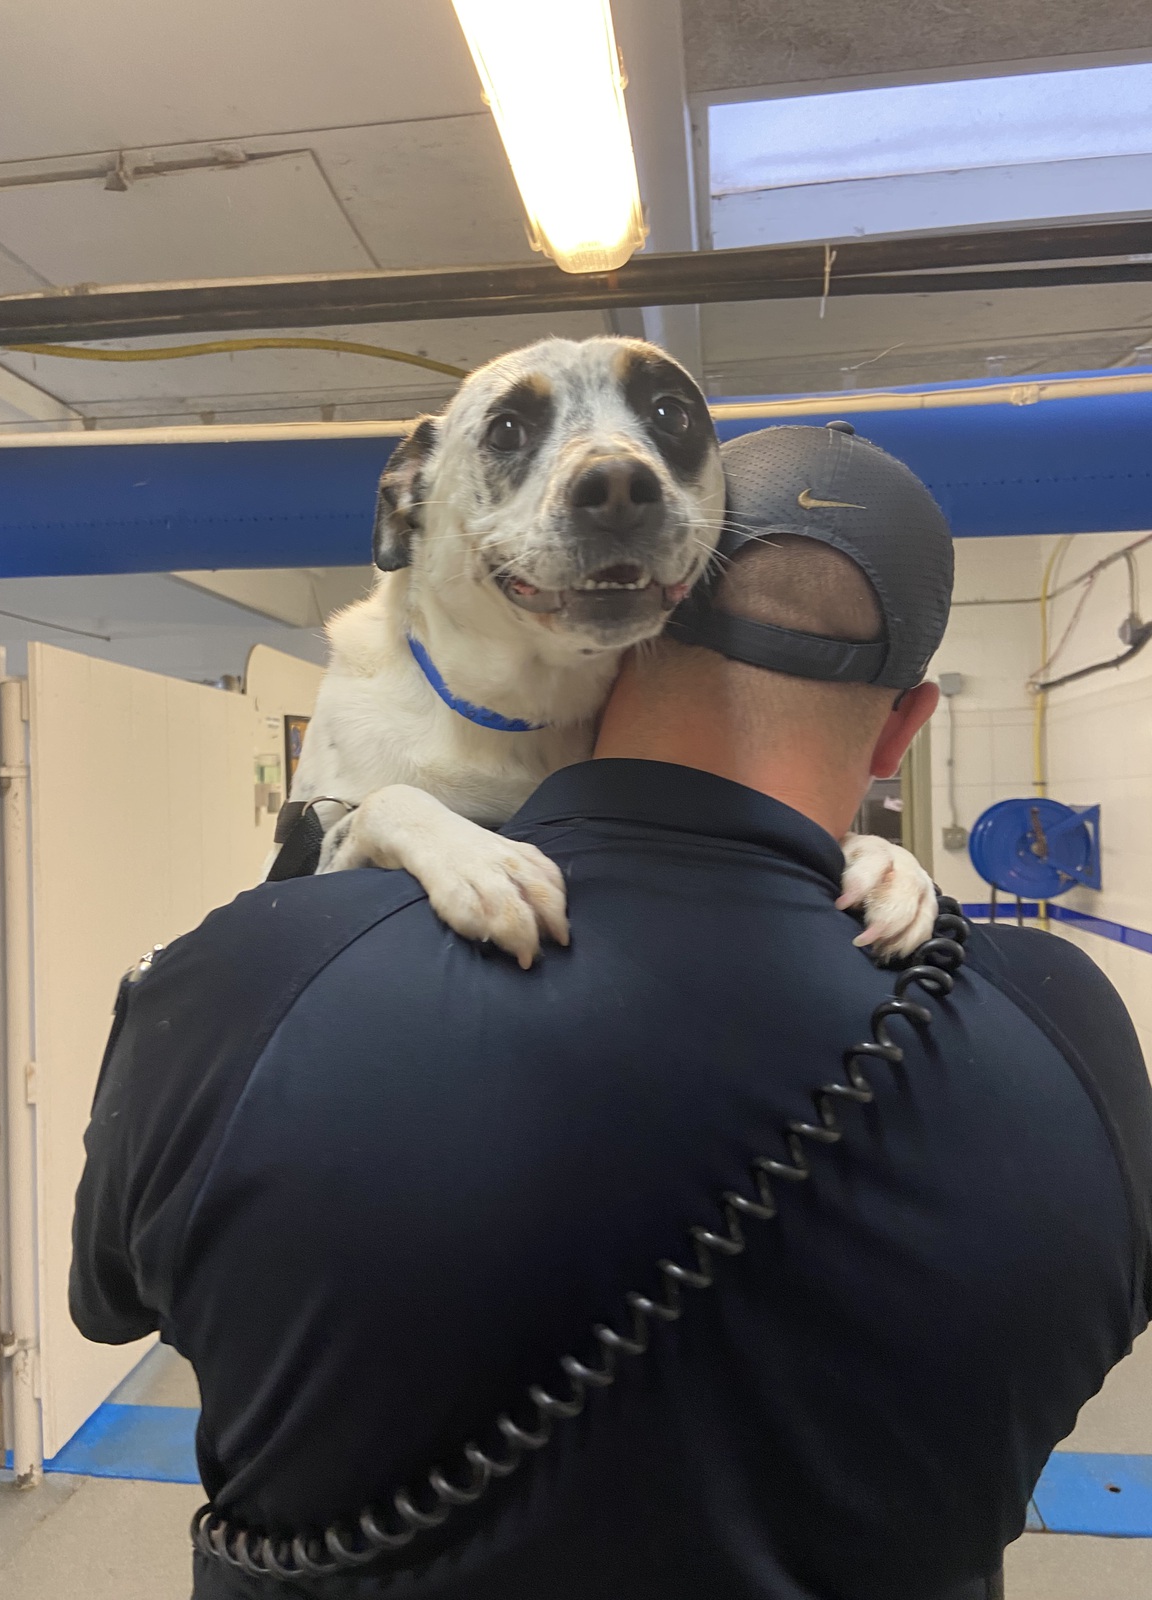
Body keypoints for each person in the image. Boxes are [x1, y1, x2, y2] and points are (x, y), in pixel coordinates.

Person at [71, 423, 1152, 1600]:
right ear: (904, 727)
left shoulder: (242, 980)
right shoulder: (1067, 1030)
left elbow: (108, 1299)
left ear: (595, 650)